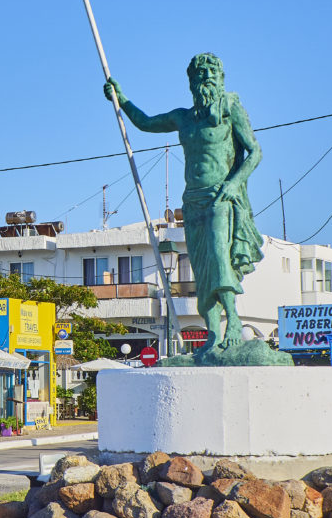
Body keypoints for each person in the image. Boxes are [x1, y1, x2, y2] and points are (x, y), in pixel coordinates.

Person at [105, 53, 263, 353]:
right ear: (190, 82)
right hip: (192, 199)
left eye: (209, 73)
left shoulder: (231, 110)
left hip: (219, 194)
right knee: (202, 267)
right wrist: (121, 99)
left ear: (220, 78)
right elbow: (146, 123)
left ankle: (234, 319)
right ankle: (213, 332)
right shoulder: (183, 118)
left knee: (218, 257)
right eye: (198, 74)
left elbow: (255, 152)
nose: (204, 78)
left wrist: (233, 183)